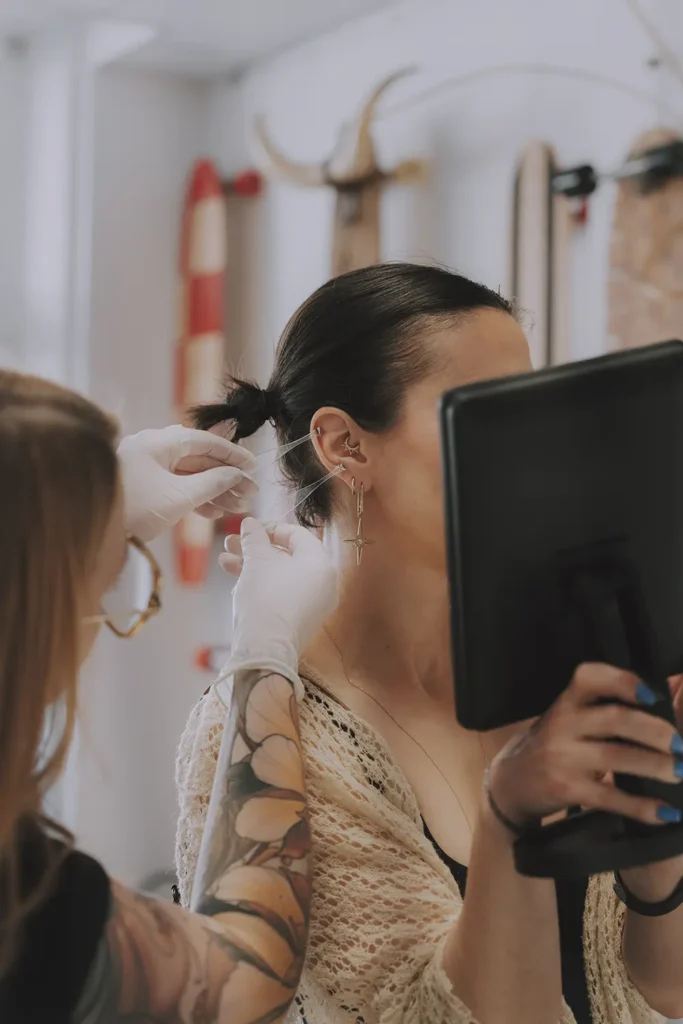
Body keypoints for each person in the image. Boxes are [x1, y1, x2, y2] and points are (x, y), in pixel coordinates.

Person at [176, 262, 683, 1024]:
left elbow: (666, 992)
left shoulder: (566, 674)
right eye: (481, 415)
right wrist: (509, 818)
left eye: (528, 412)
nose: (530, 457)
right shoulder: (262, 733)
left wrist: (655, 839)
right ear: (344, 446)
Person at [0, 369, 337, 1022]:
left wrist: (78, 504)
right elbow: (246, 975)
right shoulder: (27, 907)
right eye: (99, 598)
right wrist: (264, 657)